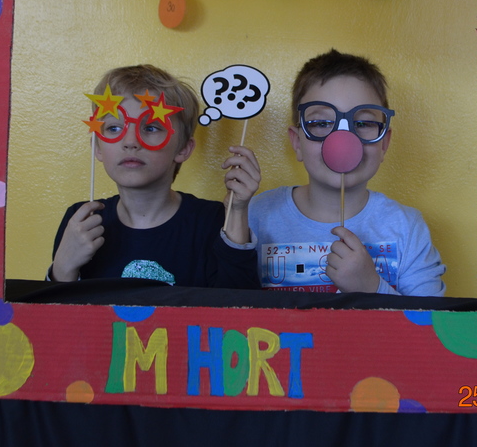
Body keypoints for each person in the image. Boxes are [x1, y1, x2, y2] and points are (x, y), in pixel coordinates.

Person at [249, 50, 446, 296]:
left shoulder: (406, 228)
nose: (343, 140)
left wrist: (371, 288)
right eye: (321, 123)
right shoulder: (256, 216)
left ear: (384, 144)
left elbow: (427, 320)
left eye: (362, 123)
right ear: (297, 142)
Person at [49, 65, 261, 289]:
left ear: (183, 149)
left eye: (150, 128)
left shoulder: (214, 220)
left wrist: (237, 213)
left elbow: (239, 306)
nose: (130, 141)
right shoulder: (82, 221)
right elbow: (54, 309)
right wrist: (63, 268)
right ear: (97, 147)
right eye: (114, 128)